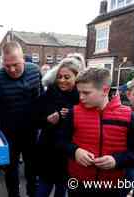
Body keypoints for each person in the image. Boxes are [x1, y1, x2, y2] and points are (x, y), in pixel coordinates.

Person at [62, 68, 134, 197]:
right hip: (78, 184)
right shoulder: (74, 113)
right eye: (79, 92)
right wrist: (75, 151)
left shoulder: (127, 116)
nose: (81, 97)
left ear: (105, 90)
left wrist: (116, 160)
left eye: (86, 93)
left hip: (112, 186)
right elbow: (59, 141)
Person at [0, 42, 42, 197]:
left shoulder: (35, 71)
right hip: (8, 133)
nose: (12, 69)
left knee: (33, 170)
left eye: (15, 64)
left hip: (31, 131)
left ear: (23, 59)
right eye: (7, 66)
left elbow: (41, 99)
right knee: (11, 172)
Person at [33, 57, 83, 197]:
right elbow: (34, 119)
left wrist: (72, 115)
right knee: (43, 189)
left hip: (68, 153)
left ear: (76, 77)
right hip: (48, 150)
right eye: (59, 77)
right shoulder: (48, 94)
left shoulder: (81, 98)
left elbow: (87, 123)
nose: (62, 80)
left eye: (67, 77)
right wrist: (47, 120)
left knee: (61, 190)